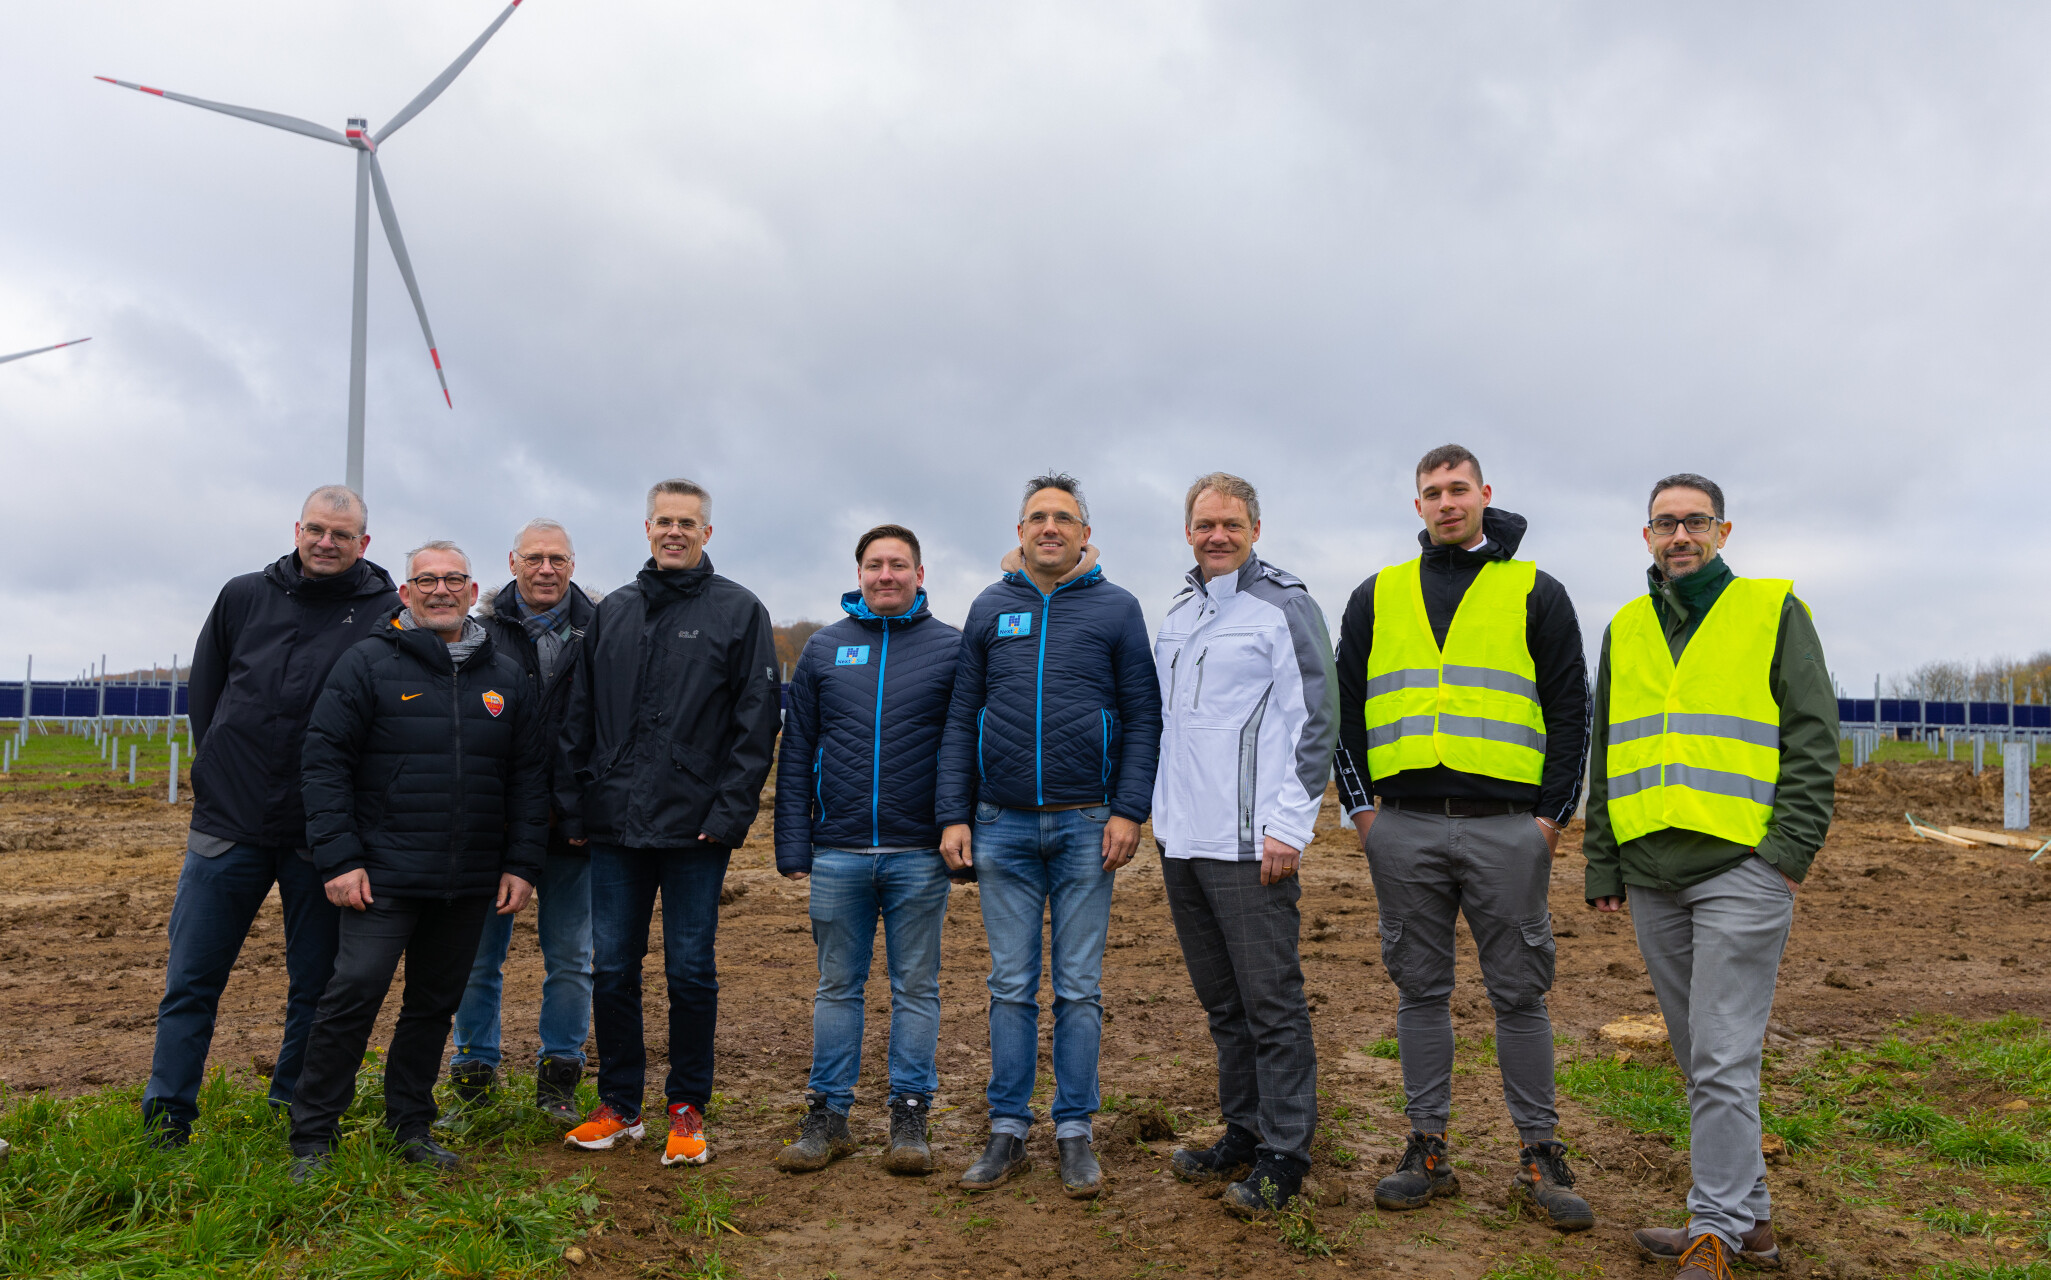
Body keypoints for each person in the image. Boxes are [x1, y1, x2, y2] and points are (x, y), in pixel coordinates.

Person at [1332, 444, 1593, 1230]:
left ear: (1484, 494)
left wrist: (1550, 820)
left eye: (1457, 489)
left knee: (1520, 993)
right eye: (1430, 493)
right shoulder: (1376, 596)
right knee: (1420, 989)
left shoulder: (1534, 592)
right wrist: (1361, 815)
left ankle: (1539, 1152)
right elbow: (1344, 713)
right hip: (1402, 827)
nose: (1445, 502)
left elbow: (1568, 712)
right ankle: (1427, 1147)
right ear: (1416, 507)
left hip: (1507, 829)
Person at [1585, 474, 1836, 1280]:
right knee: (1700, 1055)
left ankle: (1715, 1228)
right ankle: (1752, 1223)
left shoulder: (1772, 611)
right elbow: (1606, 744)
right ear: (1646, 536)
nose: (1679, 535)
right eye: (1665, 523)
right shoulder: (1625, 627)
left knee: (1723, 1056)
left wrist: (1784, 855)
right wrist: (1602, 856)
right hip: (1652, 872)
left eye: (1695, 522)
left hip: (1740, 870)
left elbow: (1811, 735)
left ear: (1723, 532)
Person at [141, 485, 398, 1146]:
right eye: (316, 529)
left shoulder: (386, 613)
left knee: (315, 987)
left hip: (323, 834)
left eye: (342, 535)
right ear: (297, 528)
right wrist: (217, 768)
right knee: (192, 981)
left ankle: (293, 1109)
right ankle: (166, 1120)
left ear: (363, 544)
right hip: (228, 825)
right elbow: (209, 690)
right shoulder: (242, 596)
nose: (326, 542)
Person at [936, 473, 1163, 1198]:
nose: (1050, 528)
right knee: (1008, 986)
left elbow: (1142, 717)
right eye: (1037, 517)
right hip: (999, 826)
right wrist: (954, 813)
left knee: (1077, 987)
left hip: (1085, 826)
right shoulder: (988, 608)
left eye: (1063, 517)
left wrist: (1128, 809)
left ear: (1084, 533)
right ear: (1020, 531)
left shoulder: (1118, 609)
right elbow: (959, 715)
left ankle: (1074, 1131)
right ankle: (1006, 1129)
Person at [289, 541, 546, 1179]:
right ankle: (313, 1135)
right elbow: (324, 764)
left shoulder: (506, 675)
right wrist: (339, 859)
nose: (439, 590)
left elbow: (530, 778)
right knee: (354, 993)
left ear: (471, 589)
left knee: (433, 1006)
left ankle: (410, 1124)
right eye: (425, 580)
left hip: (467, 879)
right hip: (382, 875)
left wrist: (521, 863)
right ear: (404, 594)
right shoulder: (367, 665)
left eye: (452, 579)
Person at [558, 478, 781, 1168]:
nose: (675, 532)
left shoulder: (739, 612)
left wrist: (728, 814)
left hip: (695, 830)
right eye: (664, 521)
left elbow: (755, 725)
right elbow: (577, 717)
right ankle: (620, 1106)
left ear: (706, 533)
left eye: (688, 522)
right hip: (615, 826)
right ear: (646, 528)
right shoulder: (612, 613)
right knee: (613, 968)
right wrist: (575, 807)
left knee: (690, 971)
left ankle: (687, 1106)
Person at [1152, 474, 1338, 1216]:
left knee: (1271, 1004)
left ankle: (1285, 1154)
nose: (1217, 535)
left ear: (1255, 529)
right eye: (1204, 524)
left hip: (1250, 843)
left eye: (1230, 523)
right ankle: (1243, 1129)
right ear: (1188, 532)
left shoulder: (1283, 608)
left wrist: (1288, 827)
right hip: (1183, 840)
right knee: (1223, 1004)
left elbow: (1313, 721)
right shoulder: (1177, 612)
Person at [771, 524, 962, 1176]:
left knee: (916, 988)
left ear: (919, 572)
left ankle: (909, 1117)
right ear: (859, 574)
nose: (886, 575)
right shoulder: (825, 649)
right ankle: (828, 1116)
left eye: (898, 565)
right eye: (875, 565)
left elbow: (965, 747)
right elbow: (795, 753)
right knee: (835, 987)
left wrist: (957, 829)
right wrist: (794, 841)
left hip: (918, 855)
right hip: (839, 852)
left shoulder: (951, 649)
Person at [442, 518, 599, 1127]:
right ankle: (474, 1077)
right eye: (534, 558)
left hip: (572, 824)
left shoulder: (601, 630)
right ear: (512, 563)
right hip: (492, 825)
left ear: (572, 564)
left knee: (570, 955)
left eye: (556, 559)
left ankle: (559, 1077)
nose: (545, 569)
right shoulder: (479, 632)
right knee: (477, 958)